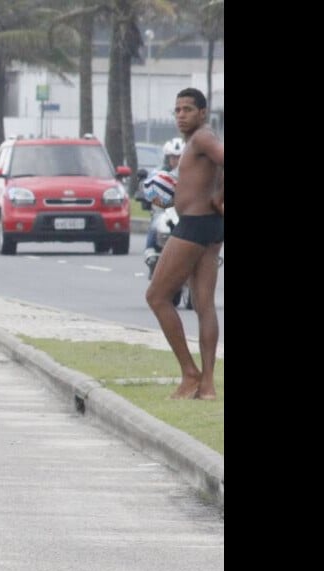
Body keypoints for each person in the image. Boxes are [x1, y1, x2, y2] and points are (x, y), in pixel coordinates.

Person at [144, 88, 224, 400]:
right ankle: (207, 385)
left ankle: (190, 374)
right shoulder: (198, 140)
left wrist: (220, 196)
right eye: (177, 110)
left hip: (195, 225)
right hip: (211, 226)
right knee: (204, 303)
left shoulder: (203, 137)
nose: (181, 115)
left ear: (202, 113)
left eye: (188, 109)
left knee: (156, 296)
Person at [141, 137, 185, 267]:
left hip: (185, 210)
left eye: (179, 157)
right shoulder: (158, 172)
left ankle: (207, 254)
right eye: (173, 157)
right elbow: (148, 187)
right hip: (164, 210)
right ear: (168, 157)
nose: (176, 161)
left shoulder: (193, 172)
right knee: (156, 221)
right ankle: (150, 251)